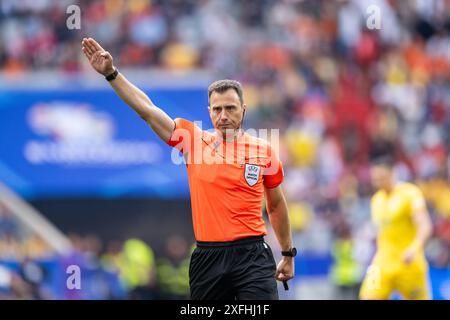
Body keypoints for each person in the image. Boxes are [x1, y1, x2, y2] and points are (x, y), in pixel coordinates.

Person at [81, 37, 295, 300]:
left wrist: (287, 254)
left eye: (230, 108)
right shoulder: (193, 140)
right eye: (217, 109)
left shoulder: (264, 151)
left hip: (252, 255)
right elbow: (147, 110)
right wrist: (112, 74)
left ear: (244, 109)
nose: (223, 115)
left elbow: (275, 205)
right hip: (208, 257)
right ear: (209, 111)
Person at [359, 154, 433, 300]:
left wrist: (414, 248)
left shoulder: (410, 193)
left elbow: (425, 225)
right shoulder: (376, 200)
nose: (378, 182)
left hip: (409, 262)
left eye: (382, 177)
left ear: (393, 173)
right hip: (382, 262)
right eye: (375, 179)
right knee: (368, 296)